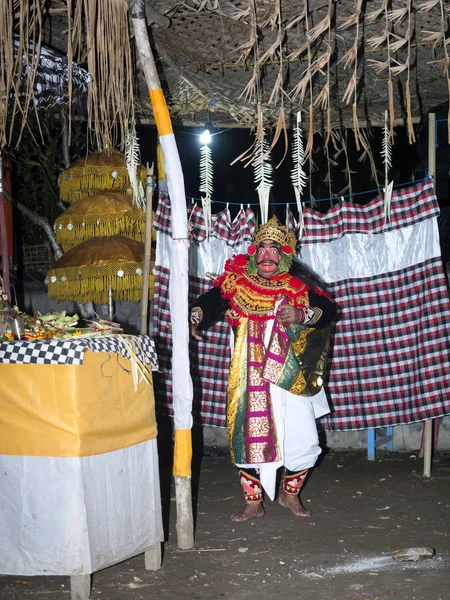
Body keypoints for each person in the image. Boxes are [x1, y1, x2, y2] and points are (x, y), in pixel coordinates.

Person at [190, 216, 337, 522]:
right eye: (262, 248)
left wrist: (300, 314)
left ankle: (289, 495)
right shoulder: (236, 282)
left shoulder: (298, 287)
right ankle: (253, 503)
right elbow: (211, 302)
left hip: (290, 378)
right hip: (250, 378)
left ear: (285, 255)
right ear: (253, 253)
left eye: (274, 249)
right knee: (247, 437)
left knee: (303, 437)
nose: (267, 254)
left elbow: (327, 312)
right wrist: (195, 317)